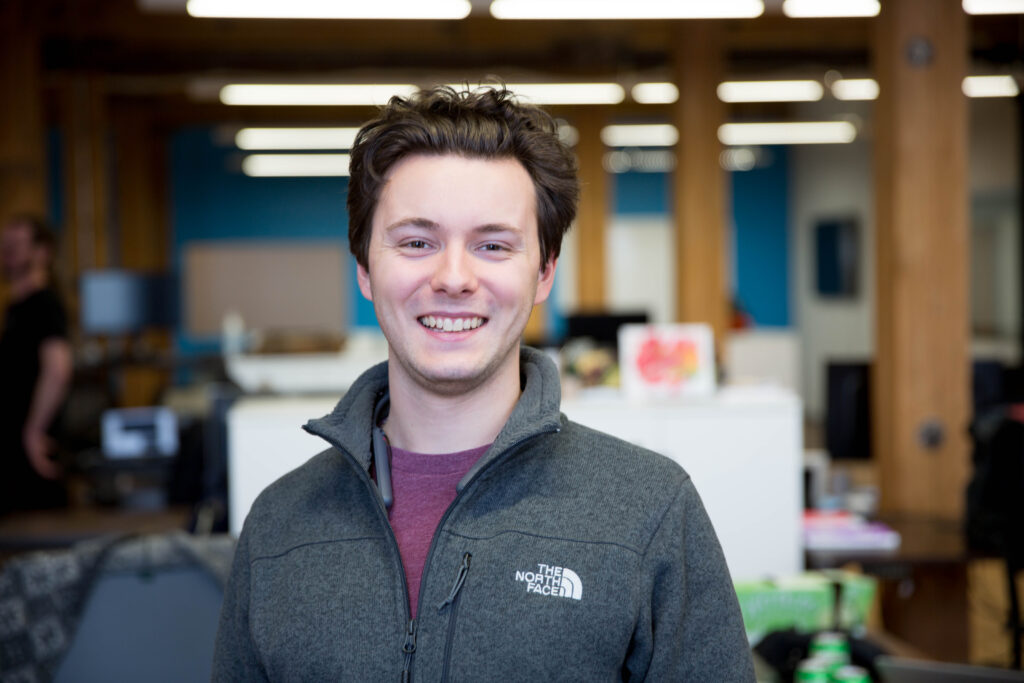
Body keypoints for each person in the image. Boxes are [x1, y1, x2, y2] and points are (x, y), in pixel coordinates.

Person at [213, 86, 755, 681]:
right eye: (417, 242)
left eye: (492, 245)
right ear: (365, 268)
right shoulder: (279, 524)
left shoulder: (650, 510)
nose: (453, 277)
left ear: (543, 272)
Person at [0, 215, 72, 513]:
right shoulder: (17, 307)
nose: (8, 252)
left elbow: (58, 370)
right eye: (4, 245)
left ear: (42, 252)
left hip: (31, 450)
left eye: (17, 245)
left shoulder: (44, 304)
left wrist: (34, 432)